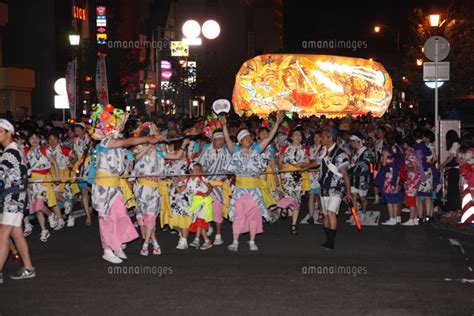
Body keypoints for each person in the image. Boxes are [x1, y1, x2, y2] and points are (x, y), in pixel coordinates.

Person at [90, 105, 163, 264]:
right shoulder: (105, 142)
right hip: (103, 186)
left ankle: (116, 245)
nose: (119, 126)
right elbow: (129, 141)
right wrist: (148, 139)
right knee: (107, 218)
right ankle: (107, 249)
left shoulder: (115, 142)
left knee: (121, 214)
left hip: (115, 185)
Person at [222, 111, 284, 252]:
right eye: (245, 137)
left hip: (255, 190)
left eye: (250, 137)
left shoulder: (256, 150)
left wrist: (278, 123)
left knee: (254, 215)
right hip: (240, 190)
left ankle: (252, 241)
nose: (248, 138)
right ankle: (235, 241)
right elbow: (227, 139)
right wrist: (225, 126)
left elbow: (268, 138)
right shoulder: (236, 151)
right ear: (240, 140)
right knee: (238, 215)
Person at [131, 122, 187, 256]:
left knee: (150, 217)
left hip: (154, 189)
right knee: (141, 218)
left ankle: (145, 244)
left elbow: (176, 156)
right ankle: (154, 242)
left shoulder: (160, 152)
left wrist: (184, 145)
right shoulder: (139, 148)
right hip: (140, 188)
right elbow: (137, 157)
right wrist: (148, 145)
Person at [0, 119, 35, 283]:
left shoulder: (8, 153)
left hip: (12, 198)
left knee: (2, 236)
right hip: (17, 196)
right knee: (16, 234)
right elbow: (26, 172)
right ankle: (28, 268)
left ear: (9, 133)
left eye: (0, 131)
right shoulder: (17, 150)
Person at [25, 133, 65, 241]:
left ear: (39, 139)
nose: (34, 140)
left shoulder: (44, 150)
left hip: (44, 180)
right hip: (33, 182)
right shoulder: (26, 152)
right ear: (28, 140)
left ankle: (51, 215)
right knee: (37, 209)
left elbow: (54, 163)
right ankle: (44, 230)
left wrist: (57, 177)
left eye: (36, 137)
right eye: (32, 138)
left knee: (39, 205)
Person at [319, 126, 354, 250]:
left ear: (329, 138)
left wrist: (349, 192)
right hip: (324, 187)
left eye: (322, 137)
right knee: (325, 215)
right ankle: (328, 240)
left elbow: (345, 174)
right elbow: (317, 163)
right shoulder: (323, 151)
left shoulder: (340, 154)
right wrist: (304, 167)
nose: (320, 139)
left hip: (336, 187)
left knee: (331, 212)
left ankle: (331, 243)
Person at [197, 128, 231, 245]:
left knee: (217, 210)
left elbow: (230, 169)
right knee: (205, 209)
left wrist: (226, 179)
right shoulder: (207, 150)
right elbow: (199, 166)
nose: (221, 141)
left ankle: (218, 235)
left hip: (219, 185)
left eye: (223, 139)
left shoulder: (226, 152)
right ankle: (208, 227)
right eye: (219, 139)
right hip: (206, 184)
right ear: (214, 140)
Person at [277, 128, 310, 235]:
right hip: (287, 175)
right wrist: (280, 171)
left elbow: (308, 162)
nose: (298, 137)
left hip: (298, 176)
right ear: (291, 137)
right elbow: (280, 161)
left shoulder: (305, 149)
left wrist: (302, 164)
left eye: (300, 135)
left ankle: (294, 224)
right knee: (289, 194)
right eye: (295, 135)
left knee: (297, 200)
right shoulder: (285, 148)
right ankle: (285, 207)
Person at [47, 131, 77, 227]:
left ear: (58, 140)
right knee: (54, 195)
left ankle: (71, 216)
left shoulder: (63, 149)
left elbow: (75, 157)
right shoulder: (46, 150)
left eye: (54, 139)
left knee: (68, 194)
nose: (52, 141)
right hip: (52, 175)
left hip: (64, 174)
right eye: (50, 139)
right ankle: (61, 214)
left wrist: (71, 163)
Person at [377, 131, 404, 225]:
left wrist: (381, 161)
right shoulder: (398, 148)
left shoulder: (386, 149)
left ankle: (391, 218)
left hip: (389, 174)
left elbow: (384, 163)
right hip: (397, 173)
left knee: (388, 197)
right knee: (395, 195)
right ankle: (396, 217)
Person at [187, 163, 214, 250]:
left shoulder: (202, 178)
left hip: (203, 201)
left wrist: (207, 193)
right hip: (194, 203)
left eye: (199, 169)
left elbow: (210, 187)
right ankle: (207, 241)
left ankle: (197, 239)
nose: (198, 171)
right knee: (200, 223)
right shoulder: (187, 180)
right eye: (195, 169)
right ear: (190, 170)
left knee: (199, 220)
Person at [301, 131, 325, 224]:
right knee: (311, 195)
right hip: (311, 174)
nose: (316, 139)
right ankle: (311, 215)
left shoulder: (323, 149)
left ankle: (321, 213)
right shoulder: (310, 149)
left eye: (318, 137)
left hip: (319, 174)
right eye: (314, 137)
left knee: (319, 196)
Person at [72, 123, 93, 226]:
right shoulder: (75, 141)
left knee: (90, 188)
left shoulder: (90, 139)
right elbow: (76, 154)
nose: (77, 133)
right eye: (76, 131)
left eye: (79, 130)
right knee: (83, 191)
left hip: (89, 165)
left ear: (84, 130)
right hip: (80, 166)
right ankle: (88, 216)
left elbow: (93, 153)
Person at [349, 132, 371, 220]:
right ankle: (354, 213)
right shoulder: (354, 151)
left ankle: (363, 212)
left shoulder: (366, 151)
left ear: (357, 141)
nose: (351, 143)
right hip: (354, 177)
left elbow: (367, 165)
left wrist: (356, 164)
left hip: (363, 178)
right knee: (353, 196)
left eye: (352, 141)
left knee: (362, 198)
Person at [440, 130, 461, 218]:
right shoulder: (458, 144)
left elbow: (451, 157)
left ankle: (452, 211)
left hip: (454, 169)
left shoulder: (455, 144)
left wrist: (442, 164)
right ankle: (457, 210)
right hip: (456, 170)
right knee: (455, 190)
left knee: (452, 191)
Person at [401, 137, 421, 226]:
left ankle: (411, 219)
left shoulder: (411, 153)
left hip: (413, 178)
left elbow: (415, 168)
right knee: (414, 198)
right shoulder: (412, 152)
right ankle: (415, 218)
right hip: (414, 178)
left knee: (411, 198)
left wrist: (406, 168)